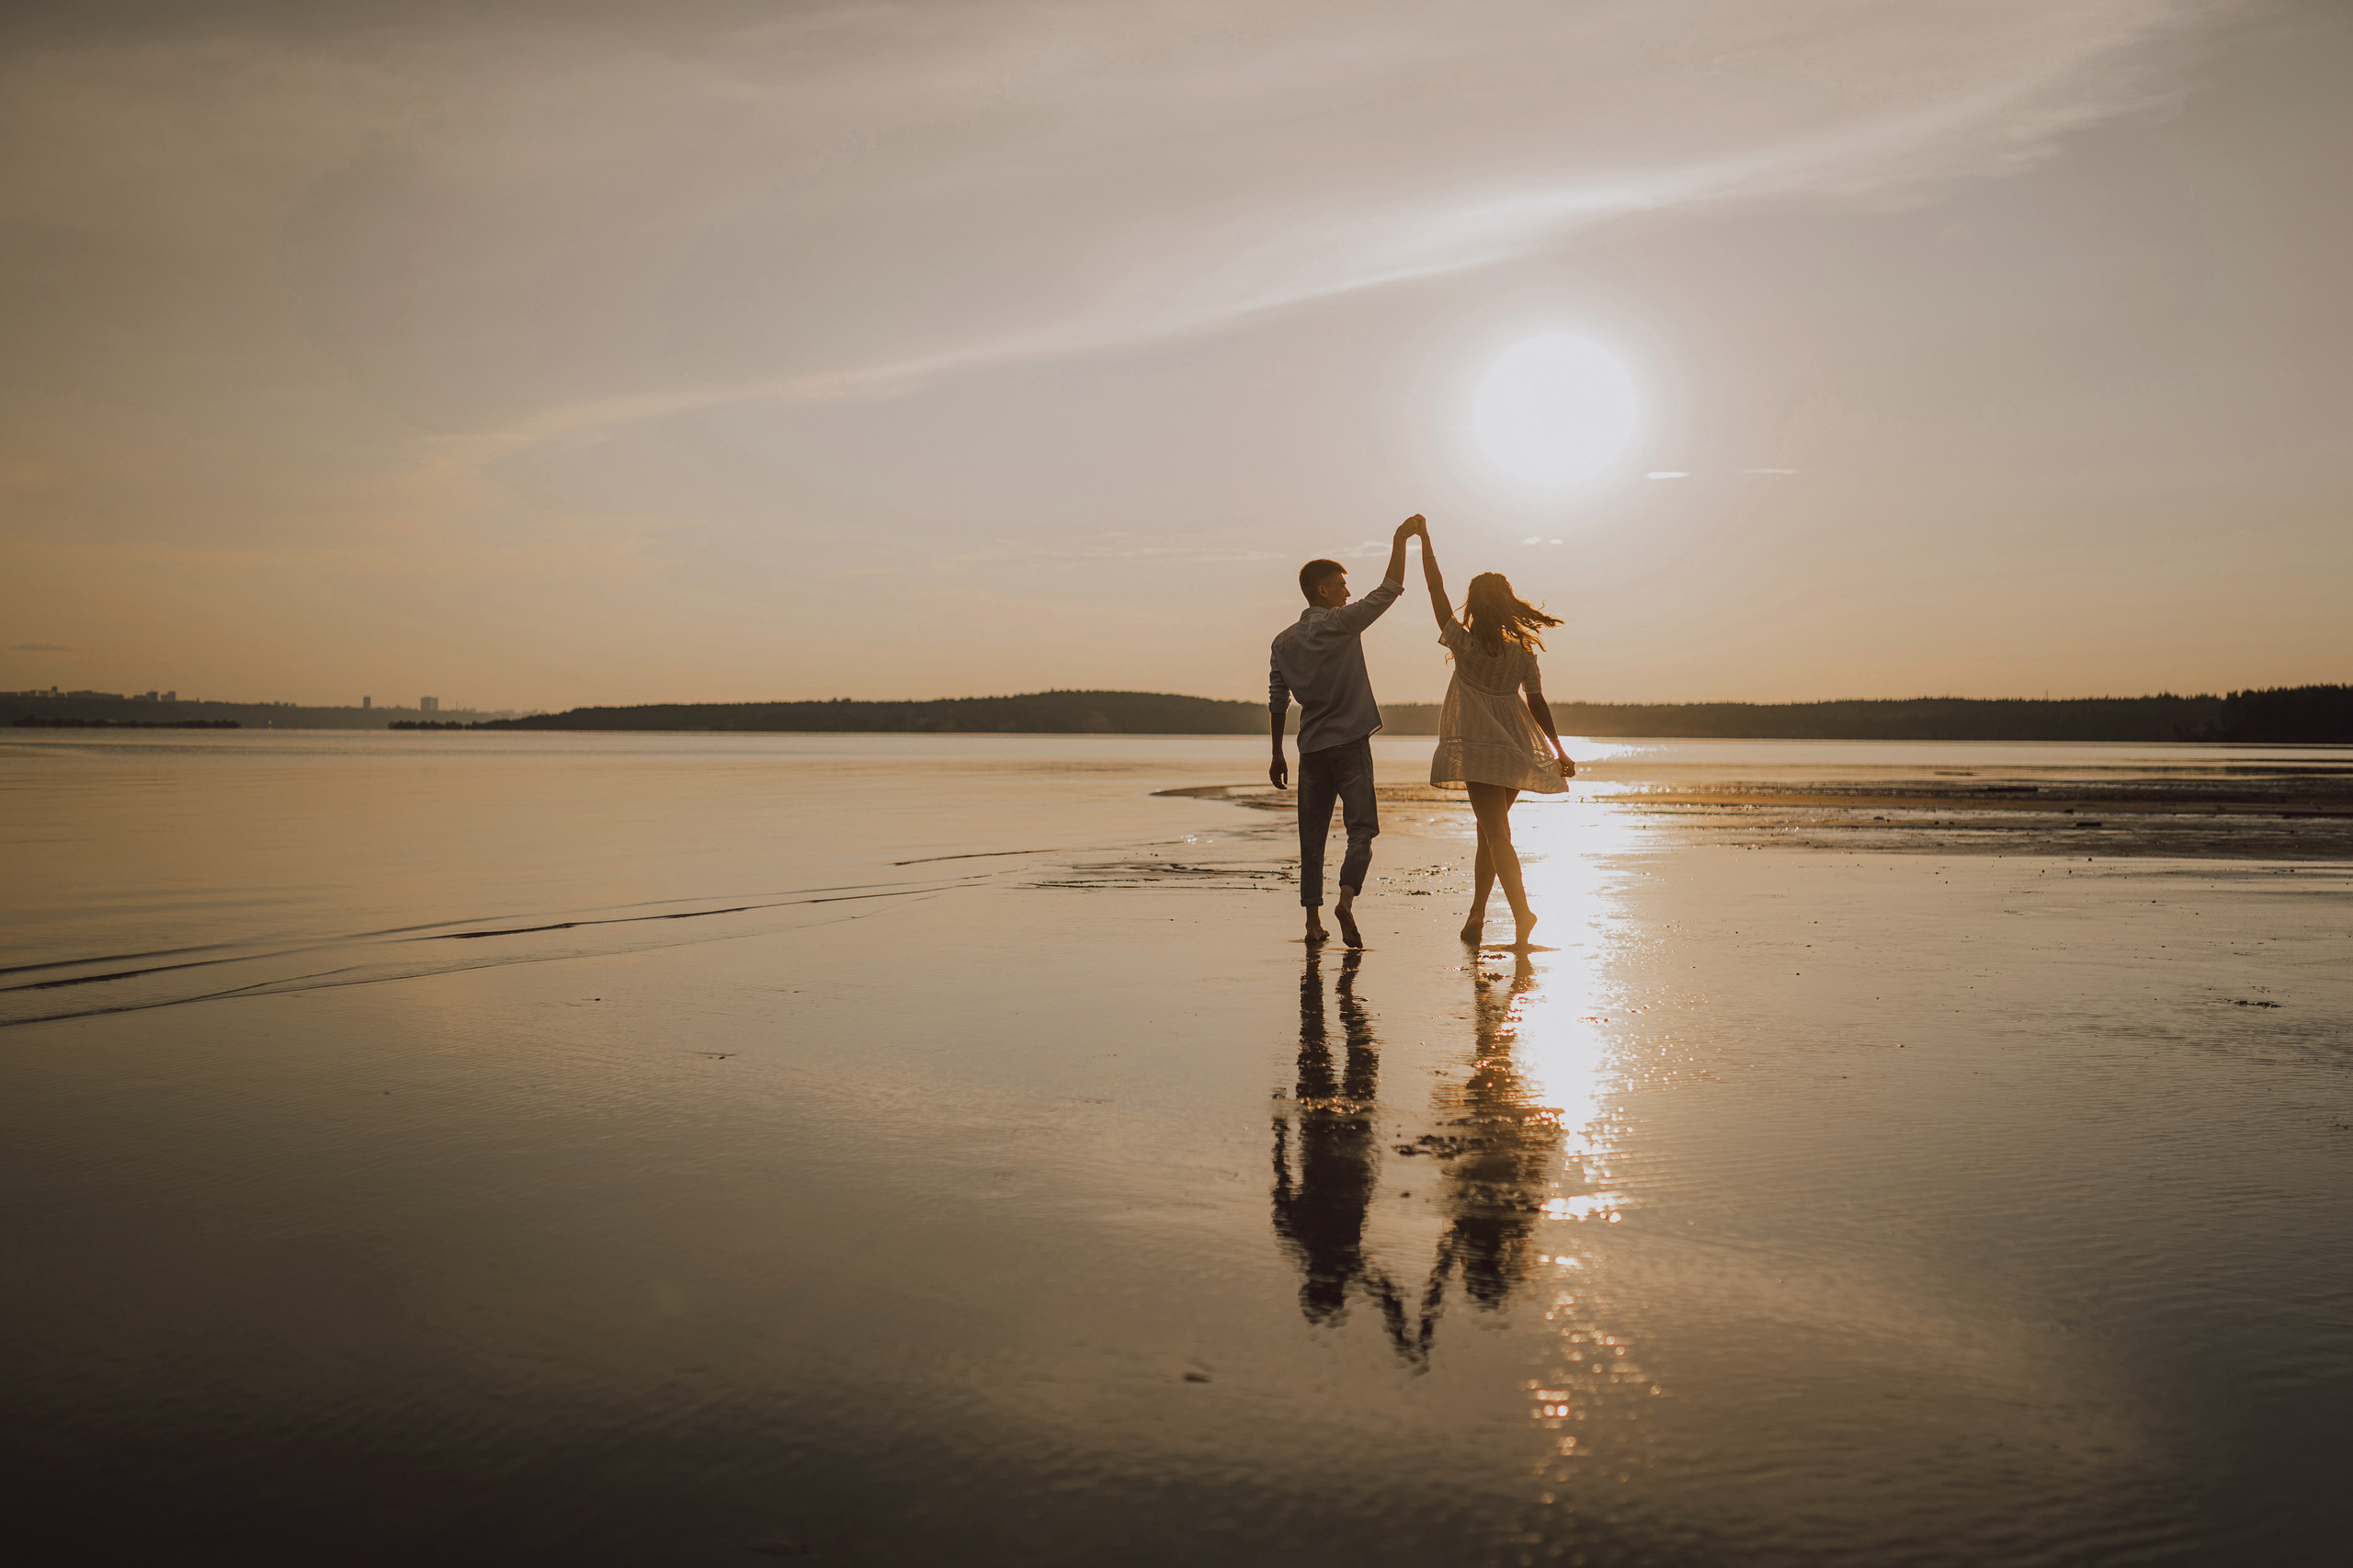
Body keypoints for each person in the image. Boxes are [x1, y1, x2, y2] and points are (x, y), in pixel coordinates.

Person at [1269, 515, 1423, 947]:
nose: (1347, 593)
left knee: (1311, 839)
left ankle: (1312, 924)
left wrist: (1277, 753)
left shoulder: (1282, 642)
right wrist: (1400, 539)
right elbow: (1389, 589)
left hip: (1311, 749)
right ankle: (1346, 900)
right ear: (1322, 591)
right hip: (1351, 744)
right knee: (1362, 830)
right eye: (1341, 585)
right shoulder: (1341, 622)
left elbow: (1278, 699)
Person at [1415, 528, 1573, 946]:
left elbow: (1435, 589)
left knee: (1496, 835)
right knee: (1490, 832)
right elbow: (1537, 704)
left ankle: (1522, 913)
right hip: (1515, 750)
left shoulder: (1463, 644)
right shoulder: (1522, 651)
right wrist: (1559, 750)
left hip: (1479, 750)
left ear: (1474, 606)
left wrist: (1425, 541)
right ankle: (1477, 916)